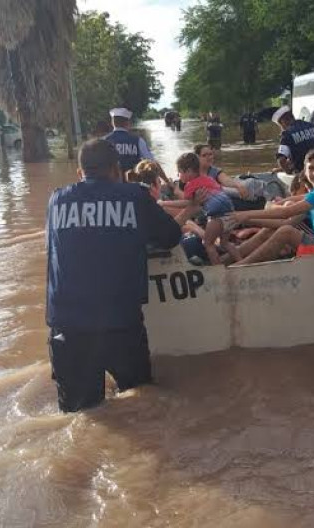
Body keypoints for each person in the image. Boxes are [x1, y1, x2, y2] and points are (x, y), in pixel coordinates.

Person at [45, 139, 182, 412]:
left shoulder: (56, 200)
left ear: (80, 173)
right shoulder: (133, 197)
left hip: (67, 328)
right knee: (141, 404)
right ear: (116, 170)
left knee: (82, 416)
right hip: (120, 324)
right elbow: (170, 236)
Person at [232, 148, 314, 265]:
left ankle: (239, 267)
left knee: (286, 232)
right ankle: (228, 259)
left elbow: (287, 212)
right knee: (272, 230)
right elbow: (288, 214)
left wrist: (244, 215)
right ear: (305, 171)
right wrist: (249, 219)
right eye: (311, 168)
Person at [160, 153, 240, 265]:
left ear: (188, 171)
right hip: (231, 213)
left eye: (180, 172)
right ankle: (242, 263)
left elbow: (186, 203)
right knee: (224, 243)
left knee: (208, 244)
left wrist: (164, 203)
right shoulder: (208, 179)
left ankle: (218, 271)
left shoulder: (190, 185)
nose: (178, 175)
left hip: (217, 217)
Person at [273, 106, 314, 175]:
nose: (281, 129)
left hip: (307, 175)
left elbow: (281, 160)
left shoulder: (287, 134)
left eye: (280, 126)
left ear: (283, 122)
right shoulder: (311, 126)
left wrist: (288, 172)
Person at [103, 107, 154, 175]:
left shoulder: (103, 141)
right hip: (133, 183)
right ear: (128, 122)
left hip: (110, 184)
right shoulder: (138, 140)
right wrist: (166, 181)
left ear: (112, 123)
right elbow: (151, 163)